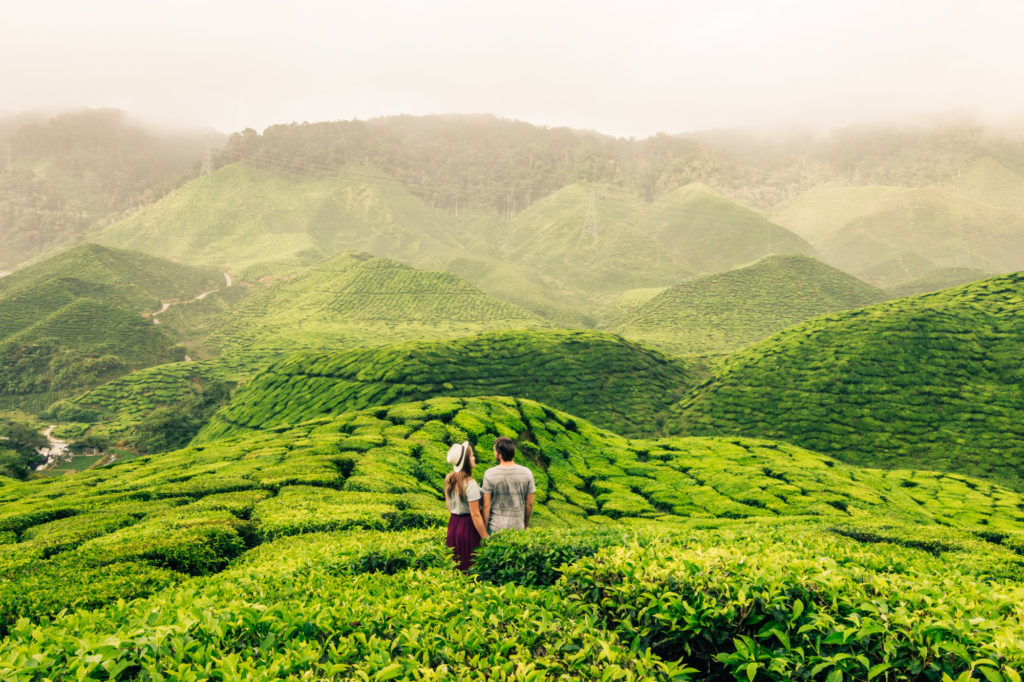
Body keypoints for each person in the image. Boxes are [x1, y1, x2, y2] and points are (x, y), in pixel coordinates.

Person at [444, 441, 489, 571]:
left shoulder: (449, 478)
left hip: (453, 525)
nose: (474, 458)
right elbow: (475, 514)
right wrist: (485, 536)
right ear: (465, 461)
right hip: (468, 527)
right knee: (470, 567)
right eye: (471, 456)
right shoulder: (470, 484)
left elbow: (448, 504)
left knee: (456, 566)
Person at [481, 436, 535, 534]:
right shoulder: (527, 473)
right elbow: (529, 504)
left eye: (494, 450)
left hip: (495, 527)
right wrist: (525, 524)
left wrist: (484, 530)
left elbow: (486, 506)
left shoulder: (489, 473)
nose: (494, 453)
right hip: (517, 528)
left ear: (500, 454)